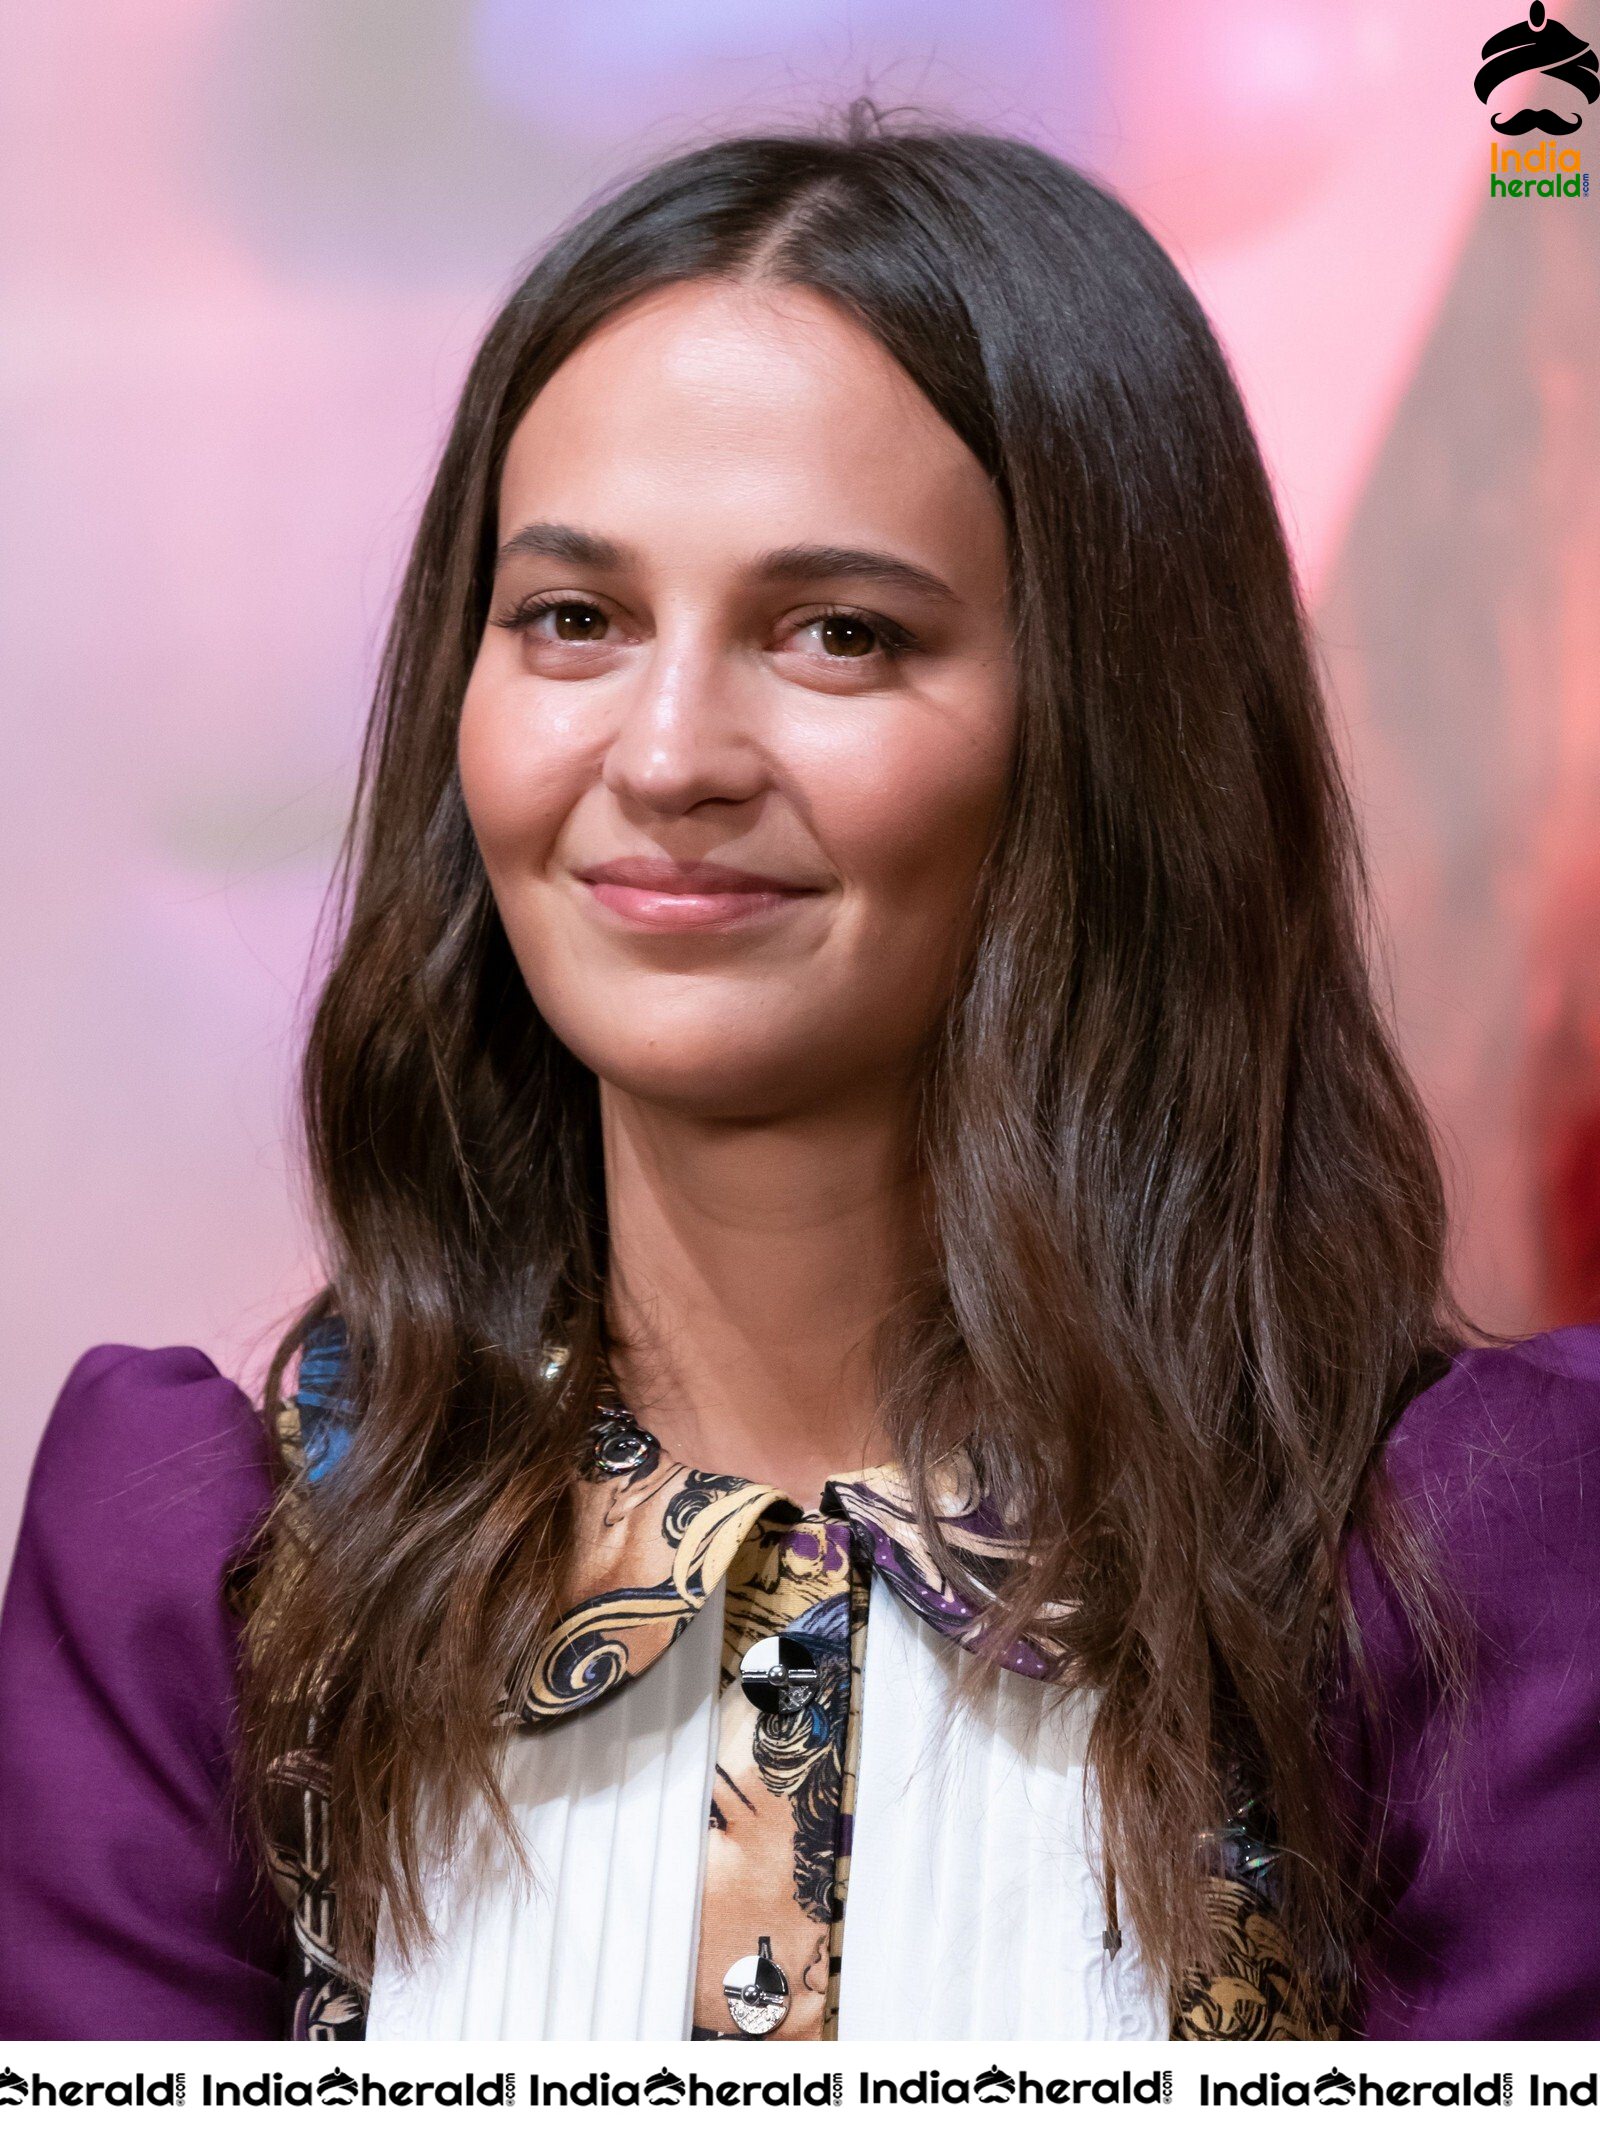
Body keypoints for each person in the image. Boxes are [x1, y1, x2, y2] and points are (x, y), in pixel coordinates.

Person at [3, 109, 1599, 2048]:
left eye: (837, 633)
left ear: (1109, 732)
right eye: (571, 618)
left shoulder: (1464, 1556)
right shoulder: (207, 1569)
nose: (667, 749)